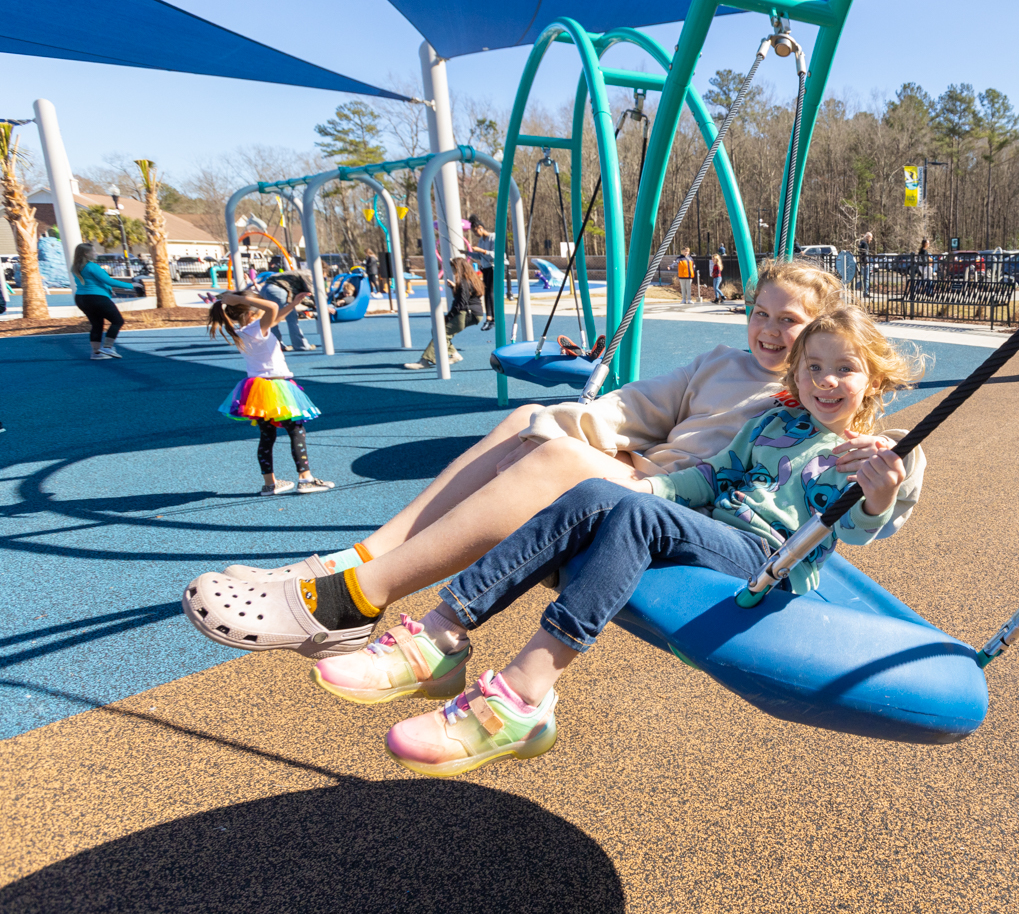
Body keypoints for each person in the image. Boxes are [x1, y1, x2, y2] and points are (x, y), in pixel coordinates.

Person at [182, 259, 926, 660]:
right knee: (530, 422)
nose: (768, 332)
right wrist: (555, 425)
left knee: (560, 460)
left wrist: (886, 480)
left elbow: (869, 481)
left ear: (818, 336)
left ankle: (355, 601)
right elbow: (629, 408)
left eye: (789, 323)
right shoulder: (718, 363)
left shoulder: (803, 400)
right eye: (760, 313)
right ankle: (353, 559)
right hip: (647, 473)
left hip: (670, 501)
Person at [317, 304, 922, 776]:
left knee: (636, 517)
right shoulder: (772, 422)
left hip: (768, 560)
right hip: (714, 531)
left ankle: (522, 695)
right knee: (595, 493)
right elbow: (710, 476)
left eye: (845, 369)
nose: (826, 381)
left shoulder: (871, 453)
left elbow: (857, 527)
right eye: (813, 367)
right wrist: (645, 491)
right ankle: (441, 632)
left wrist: (879, 492)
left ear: (873, 381)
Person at [208, 289, 335, 496]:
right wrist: (238, 298)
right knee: (296, 430)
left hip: (257, 390)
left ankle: (270, 484)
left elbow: (275, 315)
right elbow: (273, 308)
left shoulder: (243, 331)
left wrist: (292, 304)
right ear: (251, 312)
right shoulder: (257, 328)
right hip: (276, 387)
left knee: (267, 436)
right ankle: (306, 479)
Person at [405, 257, 482, 369]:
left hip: (467, 313)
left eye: (453, 268)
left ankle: (424, 361)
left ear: (458, 268)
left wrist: (449, 316)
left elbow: (461, 302)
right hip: (474, 313)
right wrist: (454, 288)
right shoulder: (471, 279)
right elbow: (467, 296)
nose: (452, 270)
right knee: (438, 331)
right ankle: (454, 354)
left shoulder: (464, 281)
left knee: (441, 333)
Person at [71, 242, 138, 360]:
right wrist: (132, 286)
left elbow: (95, 282)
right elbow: (109, 281)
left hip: (81, 298)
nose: (96, 253)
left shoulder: (76, 267)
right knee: (117, 321)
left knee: (97, 324)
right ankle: (107, 347)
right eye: (94, 251)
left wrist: (108, 290)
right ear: (86, 254)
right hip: (96, 298)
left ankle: (96, 353)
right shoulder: (92, 266)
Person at [258, 269, 316, 352]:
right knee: (291, 318)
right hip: (278, 290)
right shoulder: (308, 275)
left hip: (265, 289)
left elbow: (298, 297)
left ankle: (276, 345)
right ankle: (300, 345)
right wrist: (318, 305)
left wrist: (312, 304)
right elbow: (312, 292)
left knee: (271, 318)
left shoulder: (294, 275)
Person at [466, 215, 495, 327]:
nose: (475, 234)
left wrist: (482, 251)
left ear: (480, 228)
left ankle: (494, 317)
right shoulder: (481, 241)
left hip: (494, 267)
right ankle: (489, 316)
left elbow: (496, 254)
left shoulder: (493, 237)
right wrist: (467, 253)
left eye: (475, 231)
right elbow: (479, 256)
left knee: (491, 292)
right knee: (486, 291)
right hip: (486, 268)